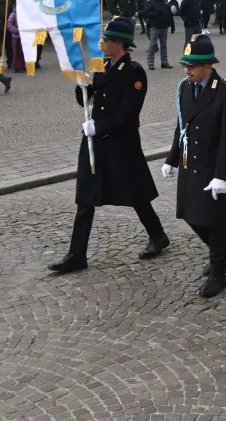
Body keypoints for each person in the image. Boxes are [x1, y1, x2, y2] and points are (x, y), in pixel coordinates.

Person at [48, 18, 168, 276]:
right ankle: (77, 255)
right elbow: (87, 102)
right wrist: (82, 86)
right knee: (85, 198)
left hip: (119, 143)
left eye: (107, 40)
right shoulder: (99, 65)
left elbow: (128, 112)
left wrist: (99, 127)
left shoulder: (134, 71)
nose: (102, 43)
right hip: (94, 143)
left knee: (136, 194)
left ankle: (158, 236)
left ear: (120, 43)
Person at [160, 35, 226, 298]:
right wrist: (171, 159)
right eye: (186, 64)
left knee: (214, 220)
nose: (187, 69)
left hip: (212, 168)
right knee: (189, 215)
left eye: (192, 65)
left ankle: (219, 270)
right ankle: (221, 250)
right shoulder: (185, 88)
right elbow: (181, 125)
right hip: (188, 164)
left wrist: (222, 176)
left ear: (208, 65)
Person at [141, 0, 176, 69]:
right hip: (155, 27)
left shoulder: (165, 1)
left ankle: (164, 62)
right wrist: (154, 14)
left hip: (164, 27)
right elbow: (145, 13)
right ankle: (150, 63)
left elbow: (169, 14)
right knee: (153, 45)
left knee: (164, 45)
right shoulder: (151, 2)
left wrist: (172, 25)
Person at [7, 8, 27, 73]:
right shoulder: (14, 14)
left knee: (24, 52)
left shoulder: (25, 13)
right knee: (17, 52)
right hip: (16, 36)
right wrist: (17, 31)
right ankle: (17, 67)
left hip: (24, 36)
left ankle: (24, 66)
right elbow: (9, 24)